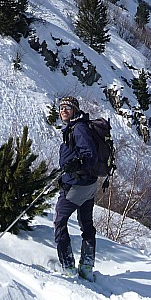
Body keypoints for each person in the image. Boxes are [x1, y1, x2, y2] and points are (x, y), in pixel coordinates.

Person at [54, 96, 99, 279]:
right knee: (86, 225)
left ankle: (68, 266)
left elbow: (90, 155)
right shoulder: (75, 127)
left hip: (77, 186)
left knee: (60, 221)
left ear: (75, 110)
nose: (63, 110)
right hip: (87, 184)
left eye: (68, 108)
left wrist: (75, 165)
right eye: (61, 108)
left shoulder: (78, 128)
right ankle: (87, 267)